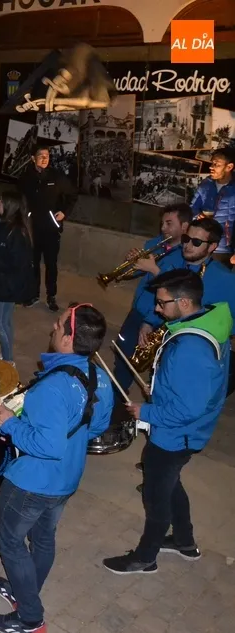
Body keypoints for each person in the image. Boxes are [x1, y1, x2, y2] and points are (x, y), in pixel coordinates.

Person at [0, 303, 113, 633]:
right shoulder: (99, 376)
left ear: (69, 340)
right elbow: (98, 425)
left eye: (58, 326)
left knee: (9, 541)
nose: (52, 329)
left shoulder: (51, 388)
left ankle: (30, 616)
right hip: (68, 478)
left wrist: (10, 422)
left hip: (33, 482)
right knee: (43, 538)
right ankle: (22, 589)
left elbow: (47, 446)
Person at [103, 270, 230, 574]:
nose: (157, 309)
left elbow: (189, 409)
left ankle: (145, 557)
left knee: (156, 495)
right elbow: (191, 389)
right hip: (183, 432)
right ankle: (185, 542)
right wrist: (158, 388)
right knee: (170, 482)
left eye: (161, 303)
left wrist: (145, 412)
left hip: (177, 433)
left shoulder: (191, 349)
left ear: (184, 302)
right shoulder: (205, 320)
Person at [112, 204, 191, 392]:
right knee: (122, 352)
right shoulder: (153, 244)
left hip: (160, 318)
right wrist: (130, 262)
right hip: (138, 310)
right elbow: (131, 274)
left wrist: (154, 269)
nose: (163, 228)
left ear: (185, 226)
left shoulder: (186, 255)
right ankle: (117, 395)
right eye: (162, 223)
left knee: (156, 363)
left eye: (169, 223)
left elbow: (175, 290)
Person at [17, 145, 76, 312]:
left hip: (51, 229)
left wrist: (64, 212)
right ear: (32, 158)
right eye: (40, 155)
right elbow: (20, 200)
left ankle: (51, 296)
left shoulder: (57, 177)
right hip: (31, 229)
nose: (44, 158)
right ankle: (33, 295)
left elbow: (72, 195)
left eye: (47, 155)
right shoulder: (25, 178)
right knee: (33, 263)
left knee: (51, 264)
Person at [0, 191, 34, 364]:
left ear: (9, 206)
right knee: (5, 321)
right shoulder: (9, 227)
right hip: (8, 283)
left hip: (6, 285)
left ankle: (8, 360)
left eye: (1, 202)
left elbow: (15, 263)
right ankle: (7, 355)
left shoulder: (14, 232)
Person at [190, 147, 234, 262]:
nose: (211, 167)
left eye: (217, 165)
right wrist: (197, 216)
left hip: (224, 250)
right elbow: (192, 208)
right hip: (201, 244)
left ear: (229, 167)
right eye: (212, 163)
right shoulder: (205, 185)